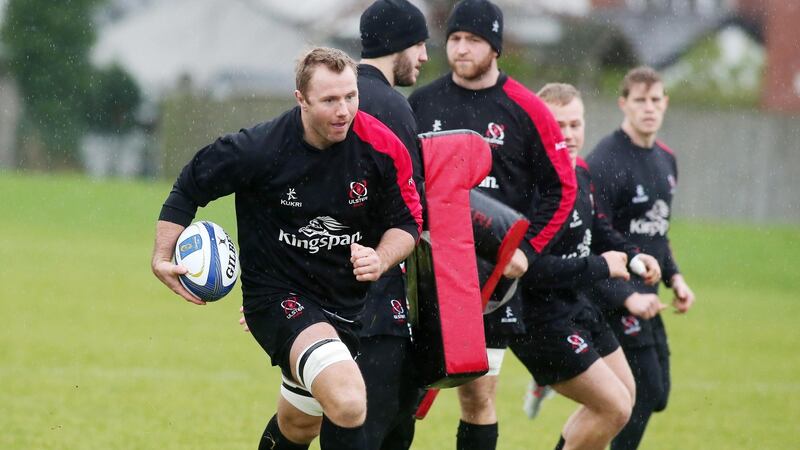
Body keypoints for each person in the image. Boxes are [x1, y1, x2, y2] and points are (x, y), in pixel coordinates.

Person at [151, 47, 422, 450]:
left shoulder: (381, 147)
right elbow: (190, 184)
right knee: (348, 401)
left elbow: (408, 223)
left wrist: (380, 257)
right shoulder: (258, 148)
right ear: (301, 99)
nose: (344, 110)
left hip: (346, 306)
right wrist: (161, 256)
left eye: (351, 96)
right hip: (277, 297)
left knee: (297, 425)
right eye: (329, 100)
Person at [409, 2, 577, 448]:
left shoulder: (526, 108)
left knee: (477, 397)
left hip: (490, 280)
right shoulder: (423, 103)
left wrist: (529, 250)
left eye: (474, 40)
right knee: (403, 391)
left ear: (496, 48)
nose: (461, 49)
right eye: (455, 39)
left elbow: (562, 188)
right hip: (427, 272)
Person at [509, 83, 663, 450]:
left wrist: (635, 256)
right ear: (538, 127)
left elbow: (601, 229)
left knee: (627, 396)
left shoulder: (579, 171)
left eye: (575, 124)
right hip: (539, 319)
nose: (569, 134)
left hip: (577, 306)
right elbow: (530, 271)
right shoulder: (528, 186)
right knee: (613, 409)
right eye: (558, 125)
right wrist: (600, 267)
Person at [585, 67, 697, 450]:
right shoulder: (604, 160)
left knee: (656, 393)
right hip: (613, 296)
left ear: (665, 103)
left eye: (655, 100)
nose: (649, 108)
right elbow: (592, 240)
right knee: (639, 393)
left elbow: (657, 233)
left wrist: (675, 278)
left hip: (648, 295)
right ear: (623, 104)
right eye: (640, 100)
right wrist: (625, 295)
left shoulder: (667, 160)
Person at [356, 1, 429, 448]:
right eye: (419, 45)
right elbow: (410, 211)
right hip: (377, 300)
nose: (423, 56)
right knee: (380, 428)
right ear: (398, 43)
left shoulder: (336, 96)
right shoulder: (392, 107)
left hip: (320, 292)